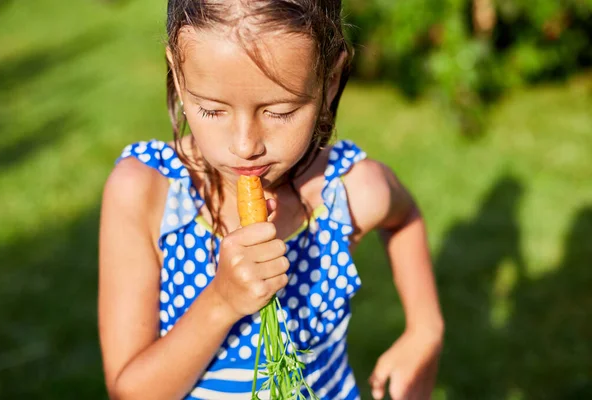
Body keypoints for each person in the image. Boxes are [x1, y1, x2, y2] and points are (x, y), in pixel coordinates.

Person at [98, 1, 444, 399]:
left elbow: (404, 216)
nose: (245, 146)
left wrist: (425, 329)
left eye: (279, 112)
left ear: (329, 81)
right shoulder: (147, 194)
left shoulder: (344, 194)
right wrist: (221, 302)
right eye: (212, 110)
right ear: (177, 74)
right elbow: (130, 393)